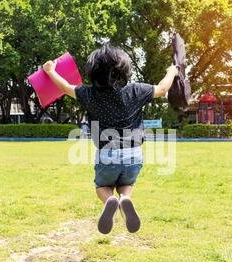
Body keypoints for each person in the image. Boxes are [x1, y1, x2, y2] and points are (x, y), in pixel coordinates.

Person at [43, 44, 178, 234]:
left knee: (102, 186)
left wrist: (50, 71)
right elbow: (163, 89)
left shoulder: (89, 94)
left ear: (93, 72)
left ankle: (110, 201)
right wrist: (172, 71)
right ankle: (125, 199)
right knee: (126, 184)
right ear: (125, 70)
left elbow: (65, 88)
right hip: (134, 154)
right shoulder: (136, 90)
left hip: (106, 153)